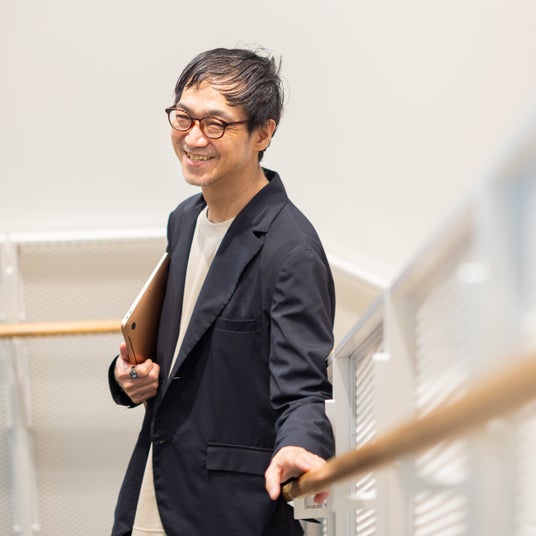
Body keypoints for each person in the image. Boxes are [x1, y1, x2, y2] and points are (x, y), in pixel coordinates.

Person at [108, 46, 335, 536]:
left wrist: (301, 444)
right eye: (183, 117)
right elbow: (180, 351)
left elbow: (303, 387)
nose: (194, 138)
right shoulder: (184, 219)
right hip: (155, 485)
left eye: (216, 124)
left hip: (228, 508)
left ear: (263, 133)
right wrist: (129, 375)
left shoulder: (291, 248)